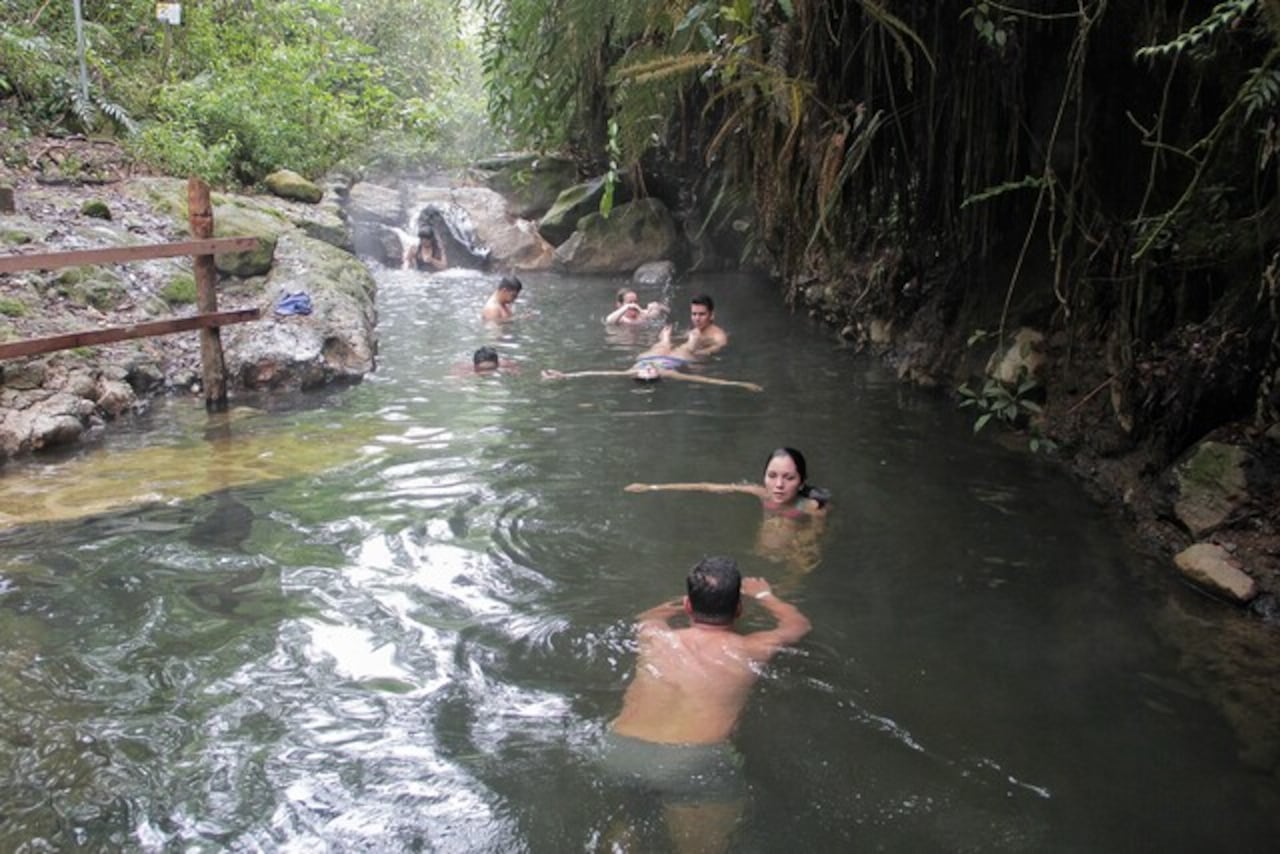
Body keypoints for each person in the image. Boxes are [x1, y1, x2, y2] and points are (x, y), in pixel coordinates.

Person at [602, 556, 811, 853]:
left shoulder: (653, 635)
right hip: (693, 761)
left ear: (688, 606)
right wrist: (765, 595)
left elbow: (648, 615)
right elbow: (798, 625)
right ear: (738, 610)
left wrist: (684, 599)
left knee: (629, 827)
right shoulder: (751, 649)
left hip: (622, 749)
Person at [625, 448, 830, 573]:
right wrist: (653, 487)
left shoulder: (811, 507)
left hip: (789, 548)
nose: (778, 485)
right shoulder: (762, 494)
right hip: (763, 545)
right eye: (772, 475)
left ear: (802, 482)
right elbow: (710, 487)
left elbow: (814, 541)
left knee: (782, 527)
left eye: (789, 478)